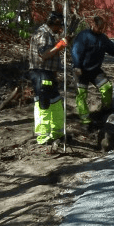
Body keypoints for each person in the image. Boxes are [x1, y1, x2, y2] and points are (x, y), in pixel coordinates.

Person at [71, 15, 114, 126]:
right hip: (81, 70)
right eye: (100, 28)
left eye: (103, 28)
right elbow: (76, 51)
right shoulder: (83, 36)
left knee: (107, 87)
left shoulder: (103, 39)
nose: (102, 30)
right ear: (93, 25)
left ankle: (106, 109)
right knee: (81, 94)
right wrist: (77, 66)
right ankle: (85, 119)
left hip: (95, 70)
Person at [28, 12, 69, 145]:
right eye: (59, 26)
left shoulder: (50, 34)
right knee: (43, 104)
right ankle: (43, 136)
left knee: (56, 102)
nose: (60, 29)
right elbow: (44, 55)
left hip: (49, 73)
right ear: (53, 23)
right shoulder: (43, 34)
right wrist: (59, 46)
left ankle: (57, 132)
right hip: (40, 73)